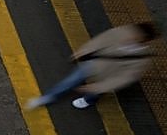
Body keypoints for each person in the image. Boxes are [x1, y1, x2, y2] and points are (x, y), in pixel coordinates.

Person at [27, 23, 158, 110]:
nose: (130, 36)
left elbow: (123, 78)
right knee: (70, 81)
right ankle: (48, 97)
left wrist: (98, 87)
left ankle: (89, 100)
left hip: (108, 76)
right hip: (93, 65)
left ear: (143, 40)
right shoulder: (122, 31)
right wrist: (83, 51)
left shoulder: (142, 59)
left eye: (136, 36)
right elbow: (100, 41)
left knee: (96, 92)